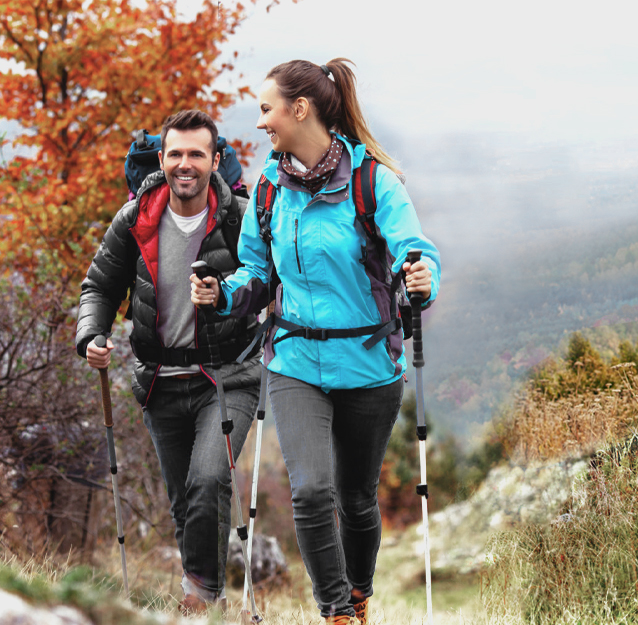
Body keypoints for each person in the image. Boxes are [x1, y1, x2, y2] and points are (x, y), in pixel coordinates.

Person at [191, 58, 440, 624]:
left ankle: (359, 593)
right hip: (294, 361)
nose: (260, 123)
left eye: (266, 109)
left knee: (357, 498)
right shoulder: (269, 188)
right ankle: (337, 614)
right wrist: (221, 294)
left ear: (299, 109)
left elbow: (414, 252)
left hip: (369, 364)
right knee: (309, 492)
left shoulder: (373, 181)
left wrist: (423, 279)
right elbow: (257, 272)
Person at [75, 110, 261, 614]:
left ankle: (199, 599)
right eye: (175, 154)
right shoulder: (134, 219)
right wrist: (91, 334)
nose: (185, 164)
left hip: (227, 375)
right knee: (185, 503)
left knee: (209, 479)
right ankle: (207, 602)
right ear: (161, 159)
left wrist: (229, 295)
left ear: (215, 161)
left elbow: (268, 281)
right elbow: (100, 286)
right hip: (159, 379)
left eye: (197, 154)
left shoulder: (241, 218)